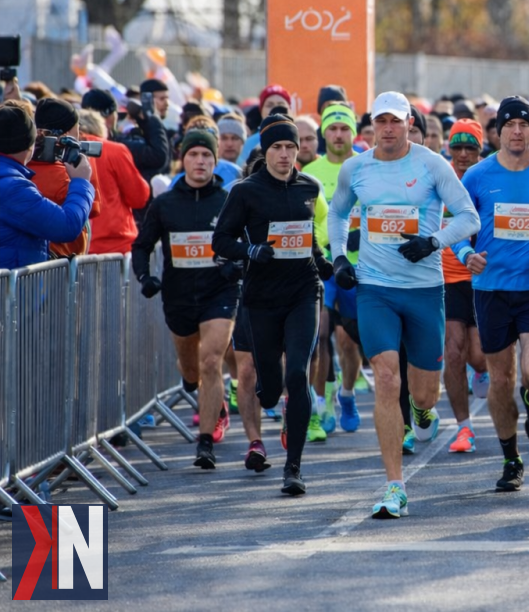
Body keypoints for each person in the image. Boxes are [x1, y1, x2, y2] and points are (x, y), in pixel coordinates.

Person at [327, 92, 480, 518]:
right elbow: (338, 215)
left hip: (425, 290)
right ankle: (395, 486)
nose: (389, 128)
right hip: (375, 288)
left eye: (396, 121)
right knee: (387, 378)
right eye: (381, 121)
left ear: (411, 122)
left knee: (424, 395)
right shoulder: (356, 168)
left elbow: (469, 218)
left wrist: (433, 241)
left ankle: (421, 410)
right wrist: (340, 256)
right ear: (372, 125)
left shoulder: (432, 164)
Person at [213, 114, 335, 496]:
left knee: (297, 374)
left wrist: (322, 262)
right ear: (264, 152)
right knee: (268, 390)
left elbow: (307, 238)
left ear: (299, 151)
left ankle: (293, 468)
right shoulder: (245, 191)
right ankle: (272, 399)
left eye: (291, 147)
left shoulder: (309, 187)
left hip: (303, 292)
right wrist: (250, 250)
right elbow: (221, 240)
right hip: (262, 299)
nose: (284, 155)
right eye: (277, 148)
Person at [455, 97, 529, 490]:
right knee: (499, 379)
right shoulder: (476, 175)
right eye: (510, 125)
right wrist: (466, 253)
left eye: (524, 124)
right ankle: (511, 459)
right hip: (491, 289)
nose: (517, 132)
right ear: (498, 132)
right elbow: (455, 226)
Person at [131, 130, 237, 469]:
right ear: (183, 160)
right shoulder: (165, 204)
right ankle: (206, 396)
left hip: (219, 291)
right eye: (194, 155)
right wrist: (145, 277)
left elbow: (244, 242)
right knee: (192, 371)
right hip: (178, 297)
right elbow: (141, 245)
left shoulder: (227, 201)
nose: (201, 161)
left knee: (211, 361)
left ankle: (204, 444)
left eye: (207, 155)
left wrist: (236, 265)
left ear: (215, 161)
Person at [302, 104, 366, 437]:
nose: (338, 135)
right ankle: (320, 405)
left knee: (348, 341)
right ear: (324, 133)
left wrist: (361, 235)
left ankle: (347, 394)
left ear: (353, 132)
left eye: (344, 128)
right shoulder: (311, 173)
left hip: (362, 268)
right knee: (320, 334)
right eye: (332, 129)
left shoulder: (366, 167)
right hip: (323, 266)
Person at [0, 103, 95, 269]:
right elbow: (66, 226)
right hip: (10, 291)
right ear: (29, 146)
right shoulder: (12, 187)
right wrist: (81, 182)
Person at [441, 119, 488, 453]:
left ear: (479, 150)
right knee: (454, 352)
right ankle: (463, 428)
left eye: (469, 147)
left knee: (478, 354)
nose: (462, 154)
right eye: (456, 147)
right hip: (446, 279)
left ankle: (482, 371)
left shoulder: (489, 179)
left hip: (484, 279)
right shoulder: (438, 179)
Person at [27, 98, 102, 257]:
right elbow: (93, 208)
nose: (80, 134)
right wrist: (83, 175)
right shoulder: (62, 177)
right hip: (60, 259)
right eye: (78, 127)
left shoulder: (23, 166)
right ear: (67, 134)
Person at [77, 109, 150, 256]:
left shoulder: (61, 151)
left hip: (76, 247)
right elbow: (139, 197)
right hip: (117, 245)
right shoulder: (115, 150)